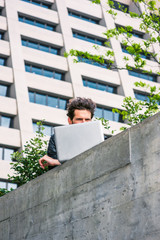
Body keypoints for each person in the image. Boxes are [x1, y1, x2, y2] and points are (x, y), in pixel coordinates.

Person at [39, 97, 96, 169]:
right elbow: (55, 170)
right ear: (70, 120)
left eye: (87, 119)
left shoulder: (100, 138)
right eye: (79, 119)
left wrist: (56, 162)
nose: (83, 123)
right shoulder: (56, 139)